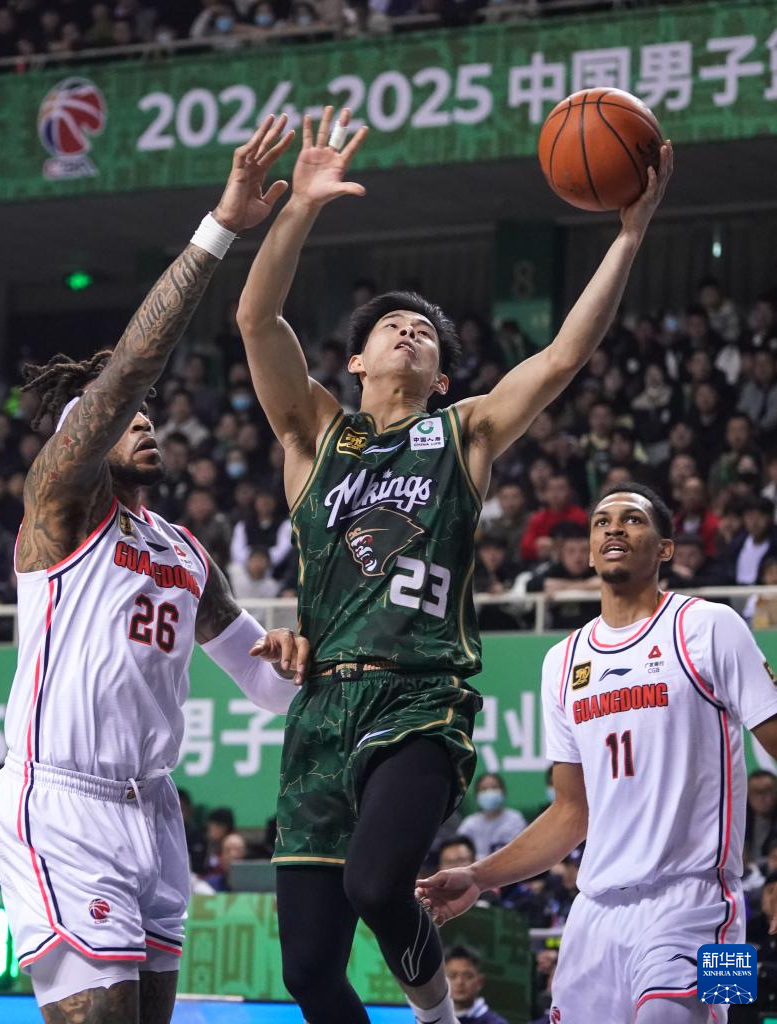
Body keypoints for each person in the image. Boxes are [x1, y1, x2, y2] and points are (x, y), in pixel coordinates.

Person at [235, 103, 672, 1024]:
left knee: (374, 884)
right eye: (390, 326)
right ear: (354, 362)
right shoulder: (315, 436)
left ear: (440, 378)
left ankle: (440, 1018)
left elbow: (561, 357)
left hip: (419, 699)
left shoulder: (461, 433)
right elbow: (256, 316)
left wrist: (629, 236)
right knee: (307, 972)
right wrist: (299, 206)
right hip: (322, 710)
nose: (407, 331)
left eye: (423, 331)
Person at [0, 120, 309, 1024]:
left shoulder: (183, 551)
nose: (143, 420)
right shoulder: (61, 507)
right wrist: (221, 228)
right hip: (60, 796)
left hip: (154, 810)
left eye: (148, 415)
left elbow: (260, 683)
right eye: (122, 417)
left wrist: (297, 663)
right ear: (81, 439)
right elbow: (131, 370)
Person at [418, 480, 777, 1023]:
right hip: (593, 914)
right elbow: (571, 812)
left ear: (665, 548)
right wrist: (480, 876)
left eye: (633, 519)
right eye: (602, 522)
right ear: (589, 553)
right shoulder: (562, 661)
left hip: (702, 902)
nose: (614, 528)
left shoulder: (710, 625)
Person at [459, 773, 526, 859]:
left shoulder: (515, 820)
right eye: (484, 789)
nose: (489, 792)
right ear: (477, 795)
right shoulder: (470, 824)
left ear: (503, 791)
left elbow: (523, 850)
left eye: (494, 787)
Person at [445, 945, 509, 1024]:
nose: (459, 982)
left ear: (480, 981)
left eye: (468, 976)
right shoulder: (433, 1018)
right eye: (452, 976)